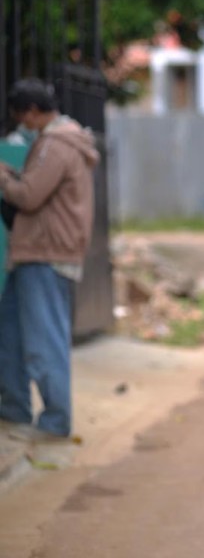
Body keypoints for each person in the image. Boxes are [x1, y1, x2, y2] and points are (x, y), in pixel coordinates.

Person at [0, 77, 100, 443]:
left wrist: (2, 176)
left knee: (44, 343)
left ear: (30, 112)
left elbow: (28, 196)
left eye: (20, 117)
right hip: (35, 254)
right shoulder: (59, 141)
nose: (20, 125)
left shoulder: (56, 144)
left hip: (45, 254)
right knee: (11, 335)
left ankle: (56, 420)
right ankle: (13, 409)